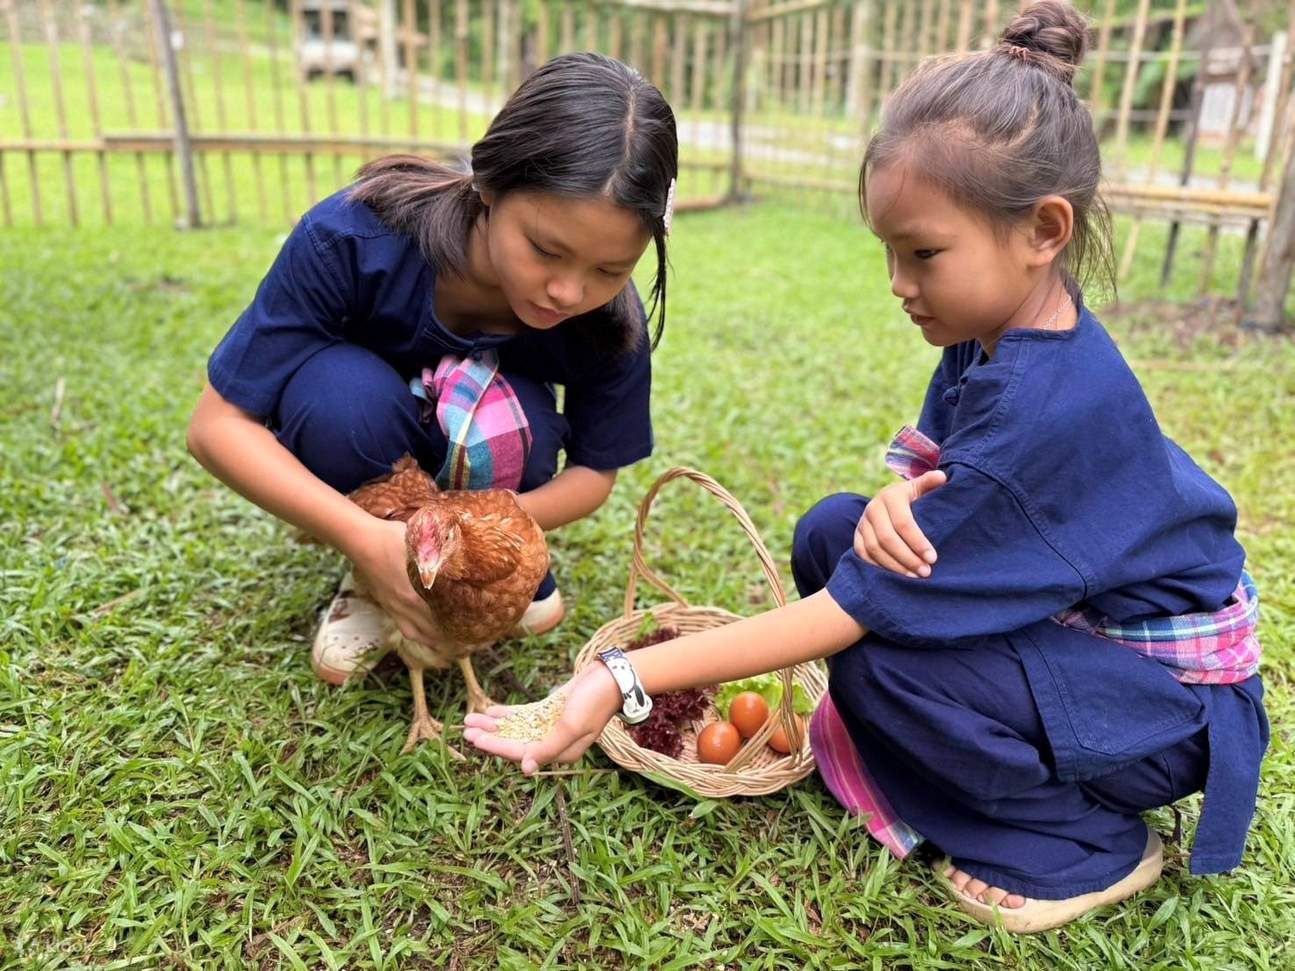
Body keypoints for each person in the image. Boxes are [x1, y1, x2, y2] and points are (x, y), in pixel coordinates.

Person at [463, 3, 1267, 934]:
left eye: (922, 253)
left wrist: (618, 676)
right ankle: (964, 766)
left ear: (1043, 230)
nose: (897, 282)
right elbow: (959, 496)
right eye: (890, 251)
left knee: (880, 667)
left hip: (1164, 710)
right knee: (834, 532)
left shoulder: (1043, 406)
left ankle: (1081, 843)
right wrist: (895, 500)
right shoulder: (1003, 328)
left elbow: (866, 601)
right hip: (1080, 635)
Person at [187, 52, 678, 685]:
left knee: (518, 424)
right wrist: (366, 539)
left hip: (488, 513)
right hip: (366, 458)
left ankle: (462, 574)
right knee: (339, 397)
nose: (567, 291)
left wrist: (479, 541)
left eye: (610, 269)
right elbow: (216, 427)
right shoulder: (351, 239)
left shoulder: (609, 319)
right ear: (488, 184)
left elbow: (592, 473)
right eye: (544, 250)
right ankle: (370, 574)